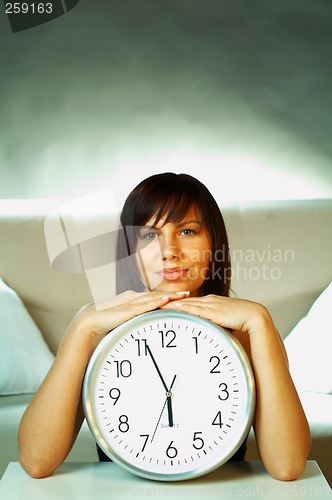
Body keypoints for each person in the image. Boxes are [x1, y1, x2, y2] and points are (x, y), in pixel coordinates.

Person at [18, 173, 311, 480]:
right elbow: (37, 461)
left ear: (214, 243)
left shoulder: (248, 332)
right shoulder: (98, 332)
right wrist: (81, 326)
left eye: (186, 230)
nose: (169, 250)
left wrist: (260, 320)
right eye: (149, 235)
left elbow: (287, 465)